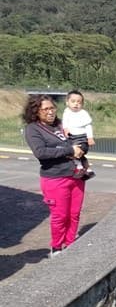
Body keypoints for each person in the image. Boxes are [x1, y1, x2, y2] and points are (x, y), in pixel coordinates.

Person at [23, 95, 88, 258]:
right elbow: (41, 153)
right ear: (36, 111)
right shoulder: (33, 129)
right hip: (55, 179)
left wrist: (81, 150)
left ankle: (71, 243)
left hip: (76, 175)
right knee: (60, 216)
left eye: (52, 108)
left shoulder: (61, 124)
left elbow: (79, 140)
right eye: (45, 109)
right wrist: (69, 150)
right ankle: (57, 248)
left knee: (74, 214)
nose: (50, 112)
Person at [62, 89, 96, 180]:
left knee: (78, 152)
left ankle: (81, 168)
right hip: (71, 137)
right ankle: (87, 170)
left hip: (82, 138)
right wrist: (65, 129)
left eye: (79, 102)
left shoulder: (83, 113)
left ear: (82, 104)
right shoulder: (66, 112)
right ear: (67, 102)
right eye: (73, 101)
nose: (76, 104)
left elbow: (88, 126)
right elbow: (65, 122)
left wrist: (90, 138)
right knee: (72, 153)